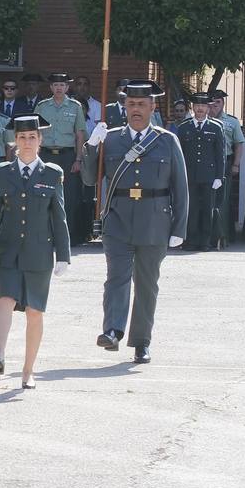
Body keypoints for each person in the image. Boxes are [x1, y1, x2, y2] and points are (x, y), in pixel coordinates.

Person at [86, 80, 187, 364]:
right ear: (124, 107)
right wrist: (92, 147)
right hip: (118, 218)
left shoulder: (167, 140)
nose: (136, 110)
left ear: (153, 107)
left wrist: (179, 228)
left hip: (155, 220)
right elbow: (88, 178)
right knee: (116, 278)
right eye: (131, 104)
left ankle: (142, 341)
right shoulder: (112, 139)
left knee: (147, 283)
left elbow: (180, 185)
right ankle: (113, 330)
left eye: (142, 104)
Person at [0, 115, 71, 389]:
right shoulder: (2, 172)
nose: (27, 142)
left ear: (40, 141)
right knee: (6, 299)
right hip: (8, 249)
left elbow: (59, 216)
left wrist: (64, 255)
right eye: (22, 137)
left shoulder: (52, 173)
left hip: (39, 252)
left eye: (32, 137)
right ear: (15, 141)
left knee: (35, 312)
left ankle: (28, 371)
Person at [36, 73, 91, 246]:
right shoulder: (42, 106)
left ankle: (69, 237)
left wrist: (78, 159)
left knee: (69, 197)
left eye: (62, 85)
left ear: (67, 88)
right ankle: (45, 236)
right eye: (55, 85)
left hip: (68, 156)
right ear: (51, 87)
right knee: (43, 195)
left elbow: (80, 134)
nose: (59, 88)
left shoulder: (75, 106)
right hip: (45, 154)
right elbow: (35, 132)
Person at [175, 95, 228, 251]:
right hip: (189, 176)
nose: (200, 108)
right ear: (192, 107)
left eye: (203, 106)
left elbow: (220, 155)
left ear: (208, 108)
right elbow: (179, 155)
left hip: (209, 176)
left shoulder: (216, 127)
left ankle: (205, 241)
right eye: (197, 105)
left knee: (207, 210)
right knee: (191, 210)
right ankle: (190, 240)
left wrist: (219, 176)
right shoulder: (184, 127)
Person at [209, 89, 245, 242]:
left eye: (218, 102)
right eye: (212, 103)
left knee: (223, 200)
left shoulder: (232, 121)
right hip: (206, 163)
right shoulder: (201, 120)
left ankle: (223, 234)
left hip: (226, 162)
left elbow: (239, 144)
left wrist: (236, 164)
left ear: (223, 104)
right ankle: (208, 234)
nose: (214, 106)